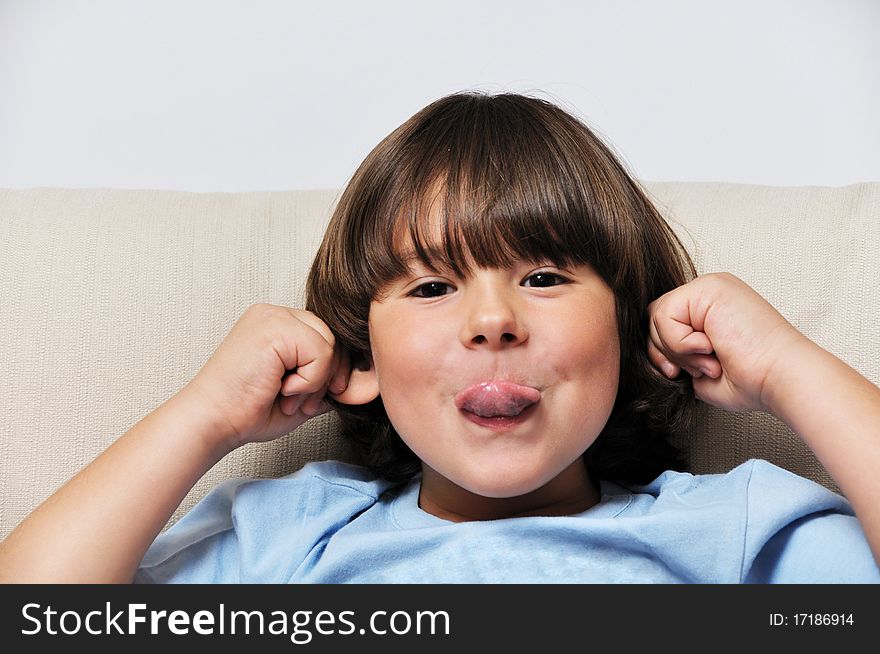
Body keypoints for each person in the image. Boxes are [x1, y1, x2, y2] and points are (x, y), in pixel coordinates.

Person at [0, 92, 878, 583]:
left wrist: (788, 367)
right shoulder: (294, 535)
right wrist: (204, 416)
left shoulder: (733, 530)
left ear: (626, 326)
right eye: (429, 286)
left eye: (541, 277)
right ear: (362, 356)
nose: (492, 321)